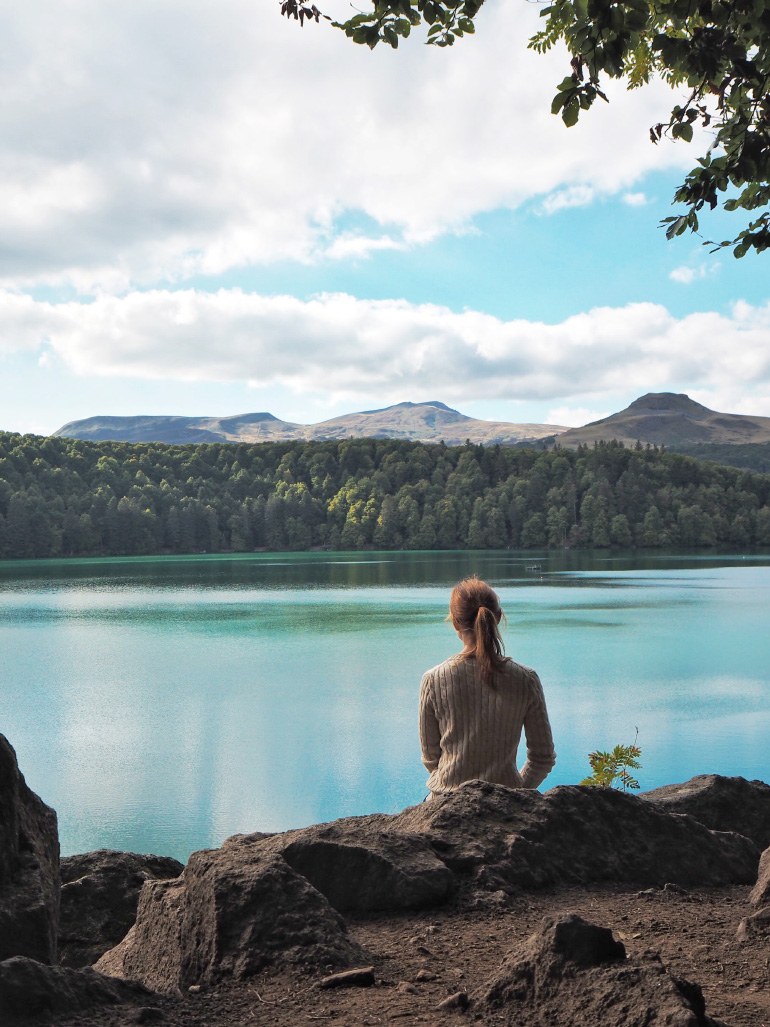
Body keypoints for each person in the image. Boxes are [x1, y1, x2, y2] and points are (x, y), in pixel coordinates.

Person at [419, 576, 556, 797]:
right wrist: (514, 792)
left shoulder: (433, 679)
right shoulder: (526, 679)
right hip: (505, 804)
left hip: (446, 801)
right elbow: (543, 758)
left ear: (455, 622)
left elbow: (431, 759)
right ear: (498, 618)